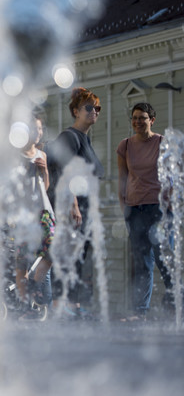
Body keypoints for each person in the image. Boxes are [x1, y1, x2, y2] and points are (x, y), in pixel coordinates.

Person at [47, 87, 104, 317]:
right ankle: (63, 305)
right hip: (75, 207)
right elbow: (65, 172)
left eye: (97, 108)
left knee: (80, 258)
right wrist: (73, 205)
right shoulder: (70, 137)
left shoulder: (86, 140)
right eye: (89, 108)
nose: (94, 112)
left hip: (87, 207)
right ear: (75, 111)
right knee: (70, 257)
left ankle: (75, 305)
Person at [117, 102, 173, 320]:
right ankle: (140, 311)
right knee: (141, 263)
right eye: (134, 118)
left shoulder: (162, 142)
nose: (138, 121)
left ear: (152, 120)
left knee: (164, 259)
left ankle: (175, 306)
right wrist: (124, 208)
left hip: (160, 209)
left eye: (142, 117)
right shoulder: (125, 146)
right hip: (135, 209)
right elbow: (123, 178)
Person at [11, 111, 55, 319]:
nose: (38, 133)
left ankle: (35, 284)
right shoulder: (14, 155)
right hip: (23, 215)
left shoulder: (42, 155)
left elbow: (44, 187)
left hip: (44, 212)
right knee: (22, 260)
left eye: (40, 129)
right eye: (34, 129)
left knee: (53, 250)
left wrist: (45, 171)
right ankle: (26, 305)